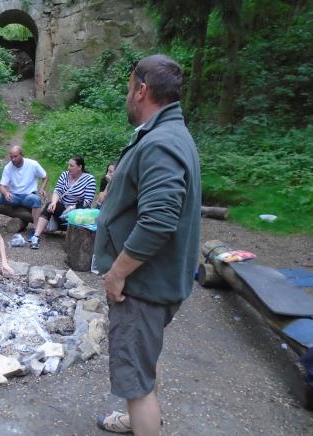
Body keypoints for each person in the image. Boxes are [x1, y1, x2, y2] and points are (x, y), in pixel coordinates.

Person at [94, 55, 201, 435]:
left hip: (140, 286)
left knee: (136, 382)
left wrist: (118, 274)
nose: (127, 97)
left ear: (142, 89)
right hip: (154, 281)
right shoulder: (169, 134)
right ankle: (136, 416)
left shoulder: (160, 142)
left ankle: (141, 416)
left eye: (128, 89)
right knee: (141, 361)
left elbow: (158, 220)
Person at [29, 155, 96, 249]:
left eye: (71, 166)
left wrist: (73, 207)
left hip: (78, 212)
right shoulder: (64, 175)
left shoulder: (89, 179)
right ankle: (35, 237)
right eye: (68, 165)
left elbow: (87, 202)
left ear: (80, 167)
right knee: (50, 205)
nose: (68, 168)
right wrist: (54, 202)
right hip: (63, 210)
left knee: (74, 211)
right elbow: (57, 191)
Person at [0, 145, 48, 239]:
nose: (13, 159)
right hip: (13, 197)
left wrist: (42, 189)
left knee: (36, 199)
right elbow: (2, 186)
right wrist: (6, 193)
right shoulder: (8, 167)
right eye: (11, 157)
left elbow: (45, 176)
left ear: (21, 155)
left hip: (28, 196)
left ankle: (36, 230)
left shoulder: (33, 164)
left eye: (15, 156)